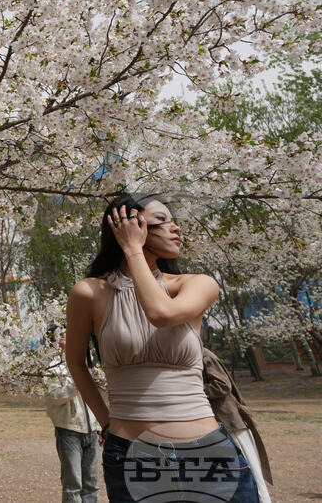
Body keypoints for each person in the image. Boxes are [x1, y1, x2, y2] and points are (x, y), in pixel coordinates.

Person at [65, 193, 259, 502]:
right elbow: (75, 361)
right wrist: (106, 422)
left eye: (174, 221)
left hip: (209, 453)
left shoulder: (195, 283)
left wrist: (133, 252)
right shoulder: (89, 292)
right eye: (162, 221)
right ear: (127, 227)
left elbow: (162, 314)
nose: (176, 229)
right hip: (134, 455)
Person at [203, 346, 273, 502]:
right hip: (215, 423)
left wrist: (196, 390)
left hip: (230, 420)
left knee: (250, 469)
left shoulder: (205, 355)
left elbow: (222, 385)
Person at [45, 327, 100, 503]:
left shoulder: (86, 363)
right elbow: (54, 396)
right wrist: (79, 381)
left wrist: (99, 426)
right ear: (56, 342)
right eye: (63, 337)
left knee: (92, 484)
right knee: (73, 485)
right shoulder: (53, 367)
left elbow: (95, 397)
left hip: (91, 431)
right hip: (68, 431)